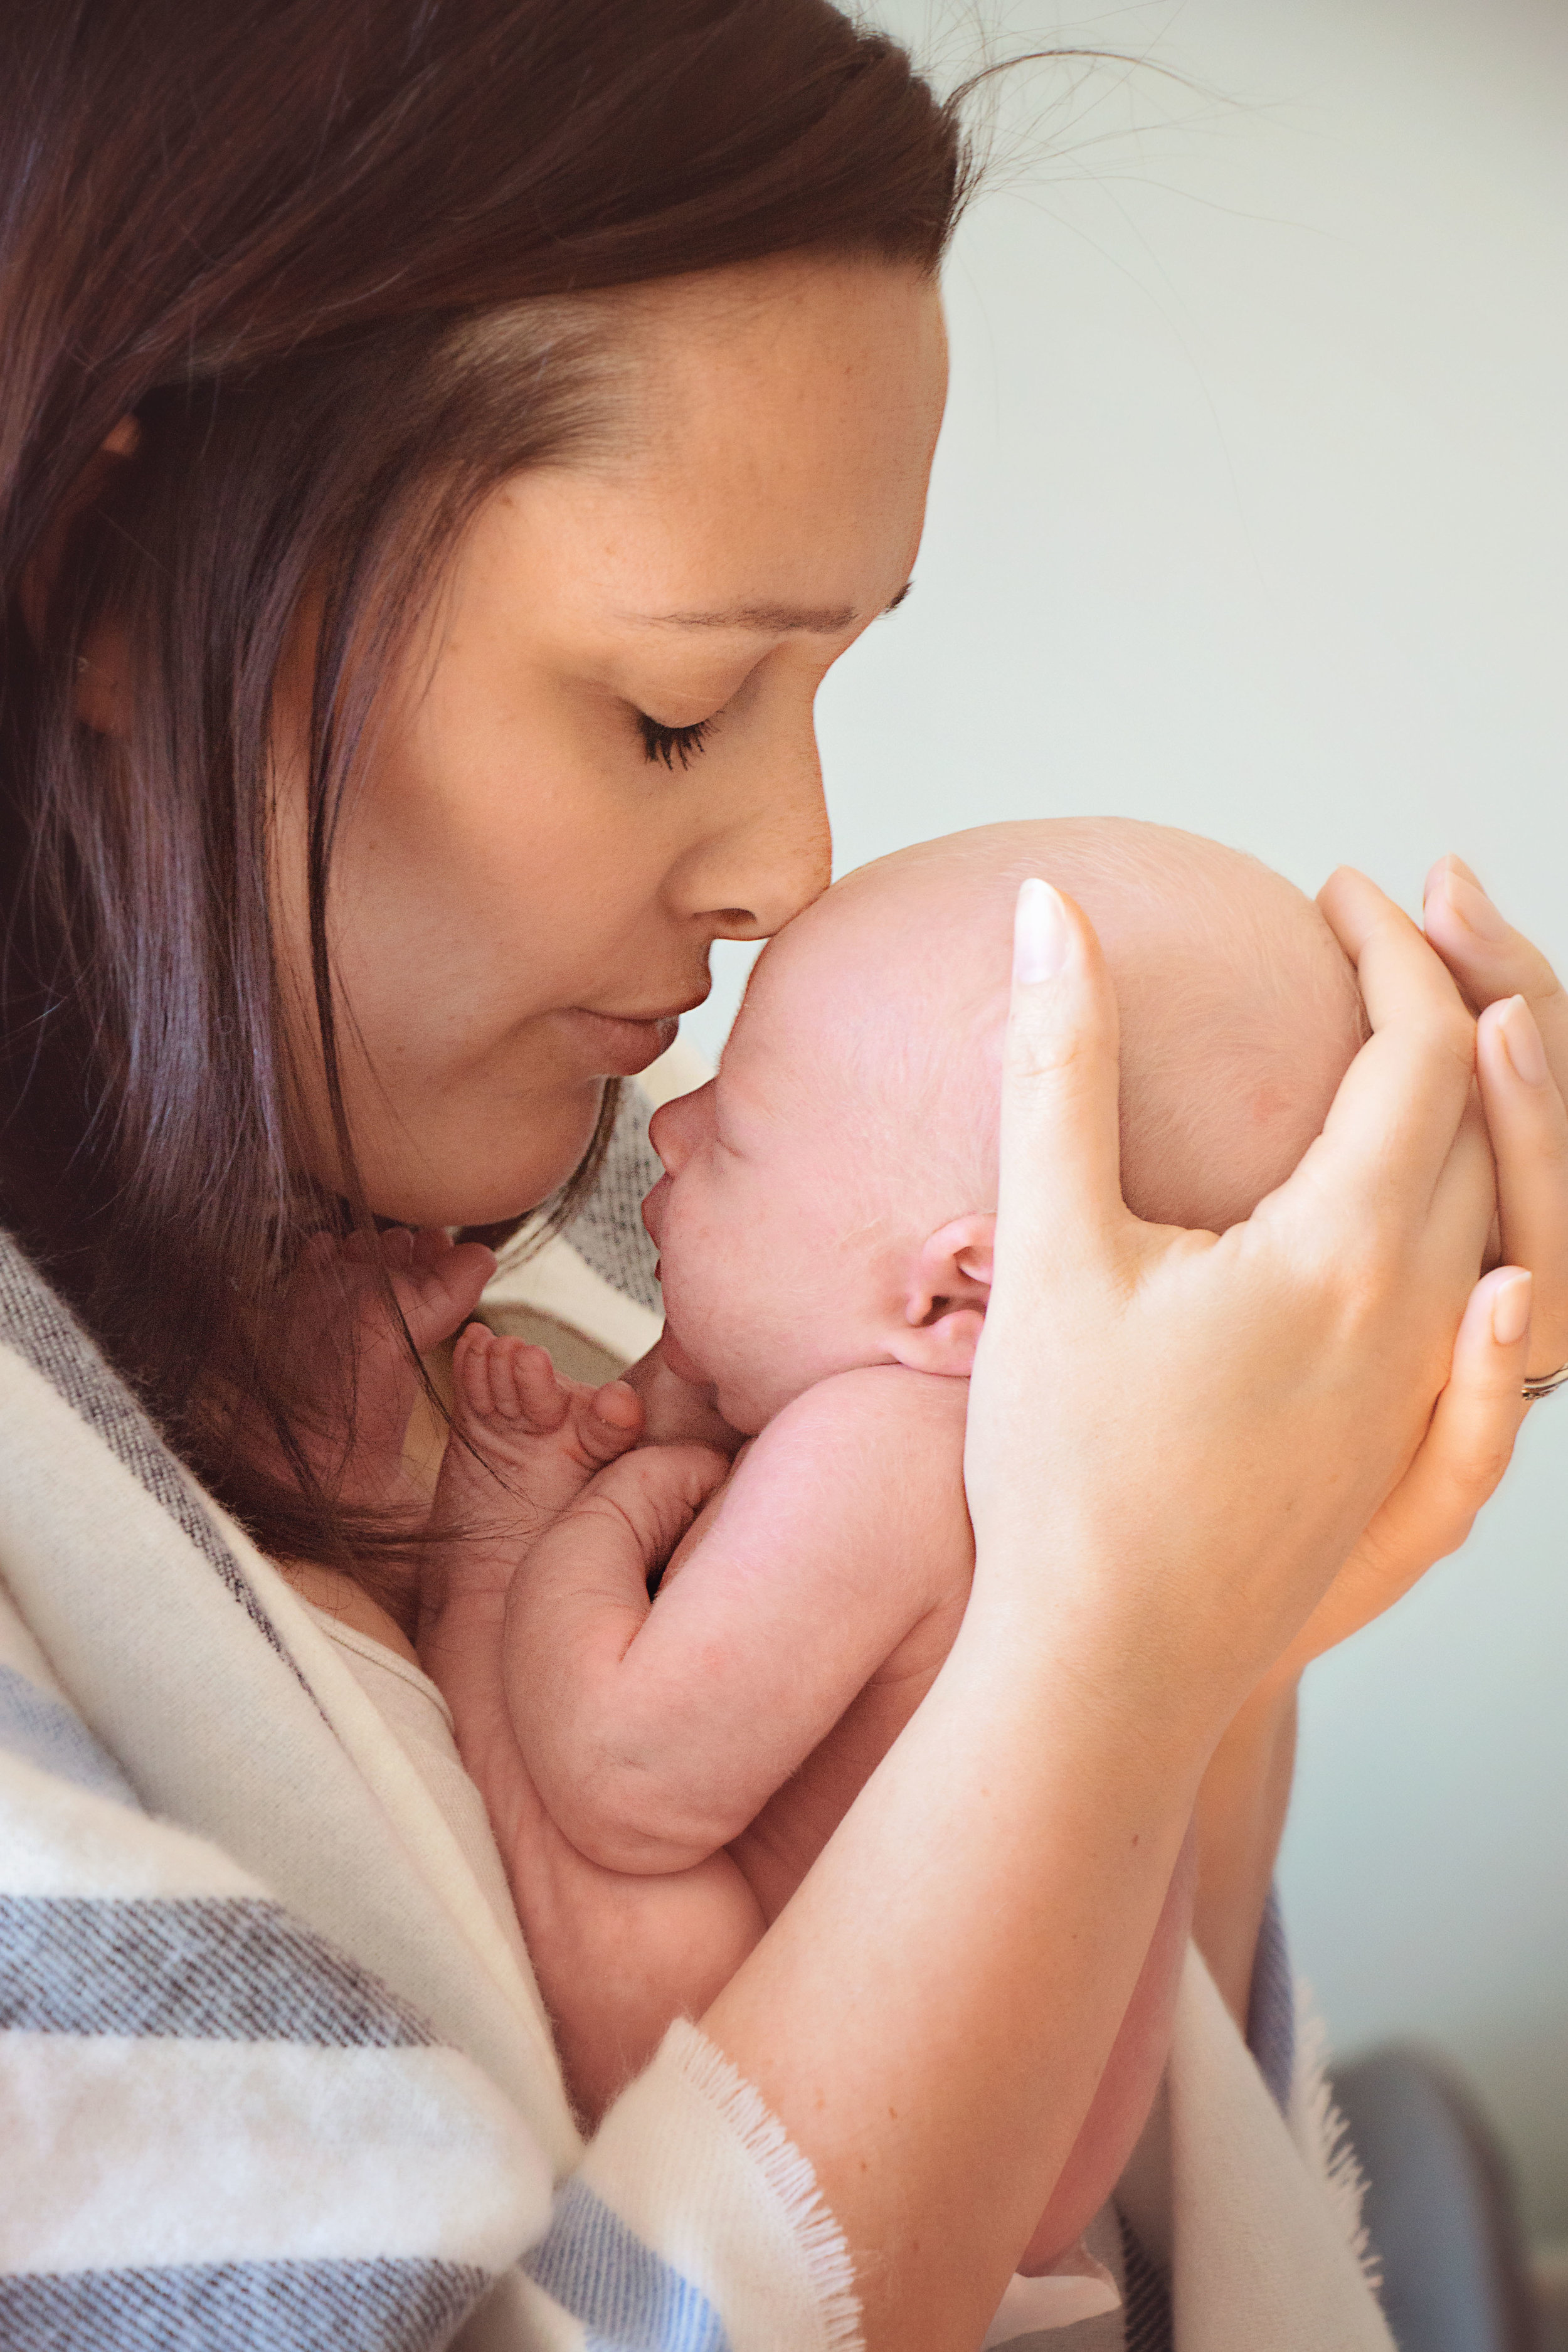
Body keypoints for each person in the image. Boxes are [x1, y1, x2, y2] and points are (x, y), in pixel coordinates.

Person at [2, 5, 1566, 2349]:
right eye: (666, 711)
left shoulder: (634, 1244)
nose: (787, 863)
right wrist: (1105, 1662)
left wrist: (1223, 1600)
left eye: (821, 686)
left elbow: (1108, 2209)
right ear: (115, 576)